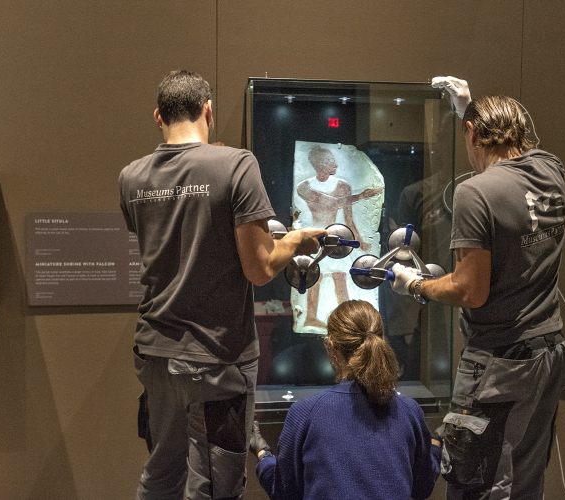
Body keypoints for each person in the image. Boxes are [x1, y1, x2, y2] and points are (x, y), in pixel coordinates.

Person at [119, 70, 326, 500]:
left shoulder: (131, 178)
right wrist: (295, 239)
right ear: (208, 111)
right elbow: (260, 267)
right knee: (215, 486)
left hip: (155, 354)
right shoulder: (235, 164)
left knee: (161, 476)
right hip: (217, 358)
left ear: (158, 117)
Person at [391, 77, 565, 500]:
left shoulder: (475, 193)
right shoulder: (552, 169)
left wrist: (415, 284)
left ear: (472, 134)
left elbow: (470, 290)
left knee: (477, 483)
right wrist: (470, 107)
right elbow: (529, 141)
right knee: (527, 482)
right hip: (547, 357)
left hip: (499, 363)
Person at [249, 300, 442, 500]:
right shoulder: (410, 411)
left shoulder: (303, 414)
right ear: (382, 341)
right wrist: (435, 444)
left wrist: (263, 453)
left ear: (331, 347)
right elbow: (422, 488)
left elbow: (284, 493)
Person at [295, 146, 383, 330]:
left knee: (340, 276)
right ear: (320, 164)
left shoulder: (343, 185)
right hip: (315, 238)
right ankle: (310, 317)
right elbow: (329, 201)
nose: (335, 163)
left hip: (336, 236)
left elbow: (348, 219)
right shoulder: (303, 187)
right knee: (315, 277)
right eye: (330, 161)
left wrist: (358, 240)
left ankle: (345, 320)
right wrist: (360, 196)